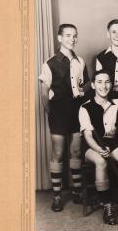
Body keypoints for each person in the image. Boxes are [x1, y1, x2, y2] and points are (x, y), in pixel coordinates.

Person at [38, 23, 89, 212]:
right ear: (60, 38)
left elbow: (86, 84)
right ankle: (57, 195)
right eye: (68, 35)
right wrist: (52, 114)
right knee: (58, 153)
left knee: (76, 151)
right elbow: (44, 93)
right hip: (58, 110)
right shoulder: (50, 63)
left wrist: (82, 92)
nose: (72, 39)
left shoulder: (80, 61)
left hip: (76, 109)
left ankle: (76, 191)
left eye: (75, 35)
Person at [79, 70, 118, 225]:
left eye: (107, 82)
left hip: (112, 144)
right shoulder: (85, 107)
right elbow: (88, 137)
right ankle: (107, 205)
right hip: (92, 147)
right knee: (101, 161)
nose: (103, 86)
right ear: (93, 85)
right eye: (99, 82)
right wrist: (99, 150)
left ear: (111, 84)